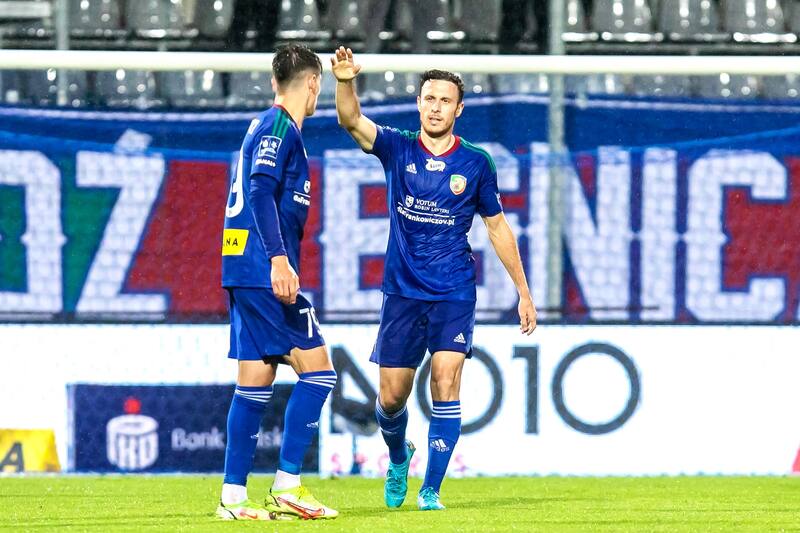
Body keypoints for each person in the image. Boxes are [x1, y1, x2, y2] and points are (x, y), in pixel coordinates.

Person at [331, 46, 537, 511]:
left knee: (446, 379)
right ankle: (399, 454)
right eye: (429, 98)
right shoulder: (398, 146)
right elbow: (352, 122)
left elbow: (498, 227)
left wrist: (524, 292)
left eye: (445, 100)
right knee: (391, 397)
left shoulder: (477, 163)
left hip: (453, 291)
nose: (436, 106)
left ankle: (431, 490)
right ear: (419, 104)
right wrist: (345, 81)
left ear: (458, 109)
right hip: (403, 292)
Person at [217, 43, 338, 521]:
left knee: (255, 380)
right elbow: (261, 191)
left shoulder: (265, 125)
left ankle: (232, 499)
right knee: (319, 370)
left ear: (274, 82)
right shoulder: (279, 128)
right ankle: (288, 484)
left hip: (242, 269)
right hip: (261, 269)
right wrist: (278, 259)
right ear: (313, 85)